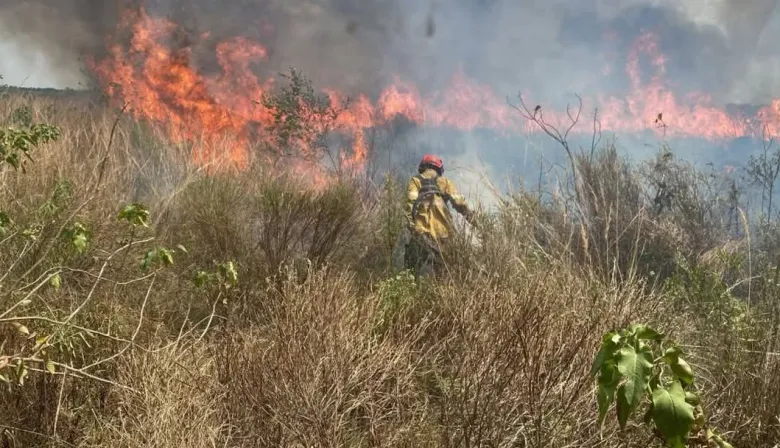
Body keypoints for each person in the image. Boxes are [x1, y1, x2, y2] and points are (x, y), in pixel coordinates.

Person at [403, 154, 474, 277]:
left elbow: (410, 204)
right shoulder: (445, 182)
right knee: (445, 275)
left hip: (421, 233)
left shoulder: (415, 181)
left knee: (410, 273)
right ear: (439, 169)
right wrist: (475, 221)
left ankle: (411, 292)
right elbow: (459, 203)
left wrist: (411, 227)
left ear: (423, 167)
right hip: (444, 234)